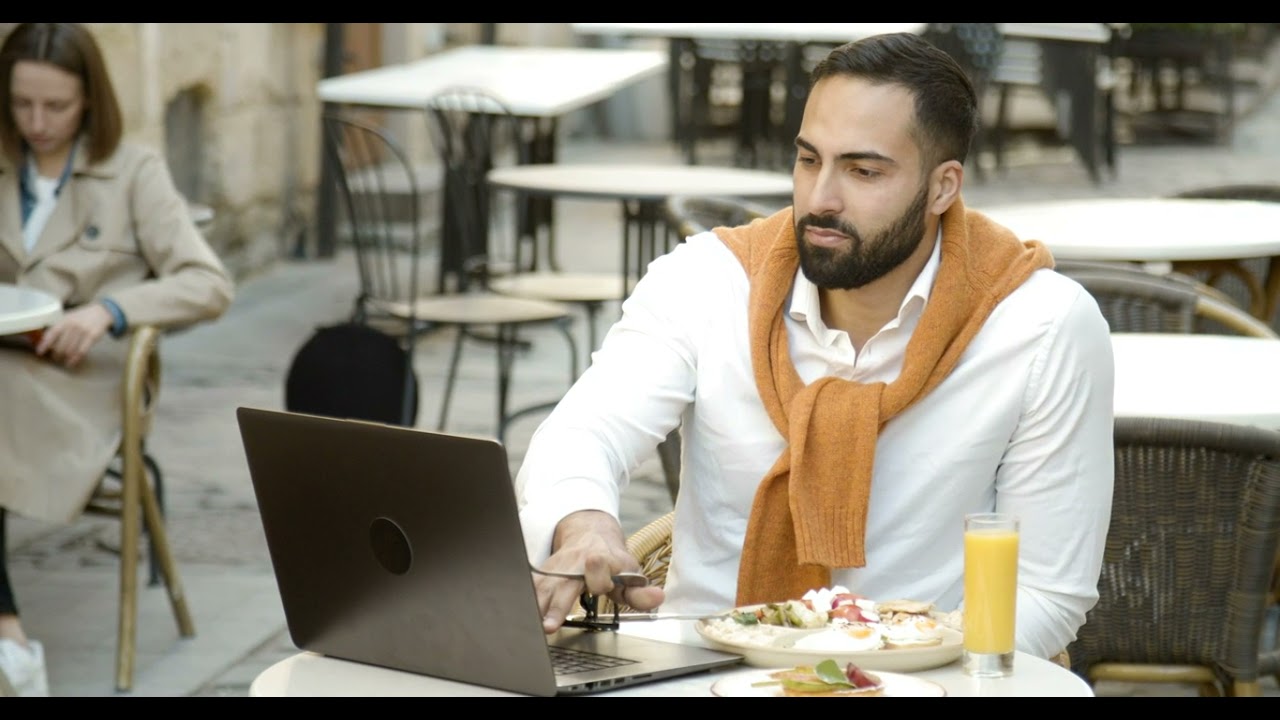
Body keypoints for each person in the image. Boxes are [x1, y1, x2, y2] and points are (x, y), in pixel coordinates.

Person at [515, 31, 1114, 661]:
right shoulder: (708, 279)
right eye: (808, 160)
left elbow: (1047, 590)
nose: (820, 199)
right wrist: (583, 521)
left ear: (943, 188)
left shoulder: (1041, 324)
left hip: (922, 680)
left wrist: (892, 669)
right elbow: (584, 431)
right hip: (697, 673)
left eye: (863, 170)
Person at [0, 23, 235, 696]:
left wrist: (112, 311)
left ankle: (8, 636)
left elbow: (209, 283)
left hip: (81, 382)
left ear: (91, 102)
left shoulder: (133, 170)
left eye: (57, 107)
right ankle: (8, 632)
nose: (37, 123)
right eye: (21, 105)